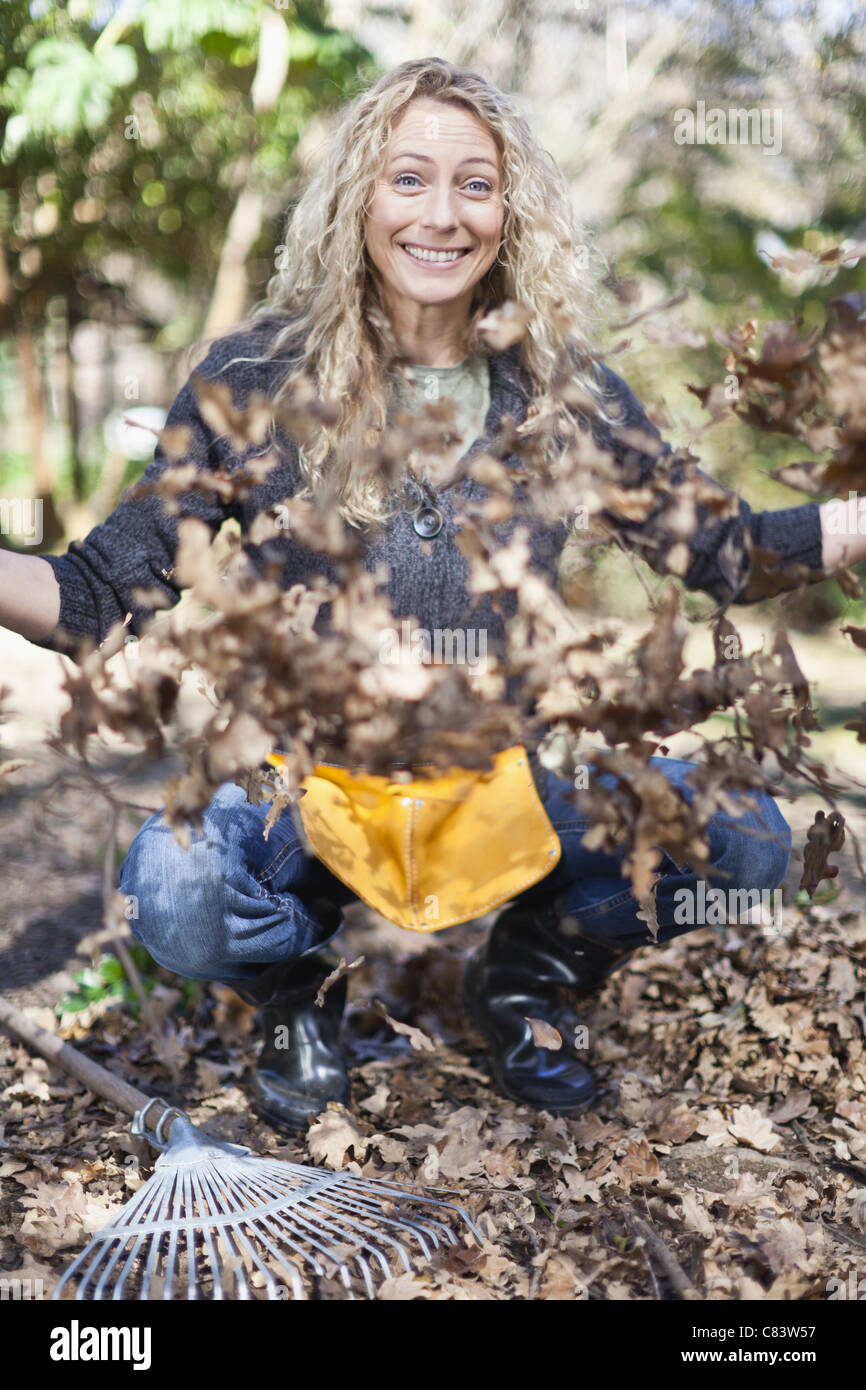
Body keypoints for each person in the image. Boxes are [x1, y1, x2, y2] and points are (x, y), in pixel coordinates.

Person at [3, 58, 860, 1132]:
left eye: (474, 183)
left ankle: (525, 976)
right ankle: (295, 990)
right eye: (407, 178)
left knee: (744, 838)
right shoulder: (254, 376)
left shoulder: (563, 392)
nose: (441, 214)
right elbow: (100, 591)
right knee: (171, 884)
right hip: (300, 798)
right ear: (358, 197)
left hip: (493, 786)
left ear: (510, 211)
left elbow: (726, 552)